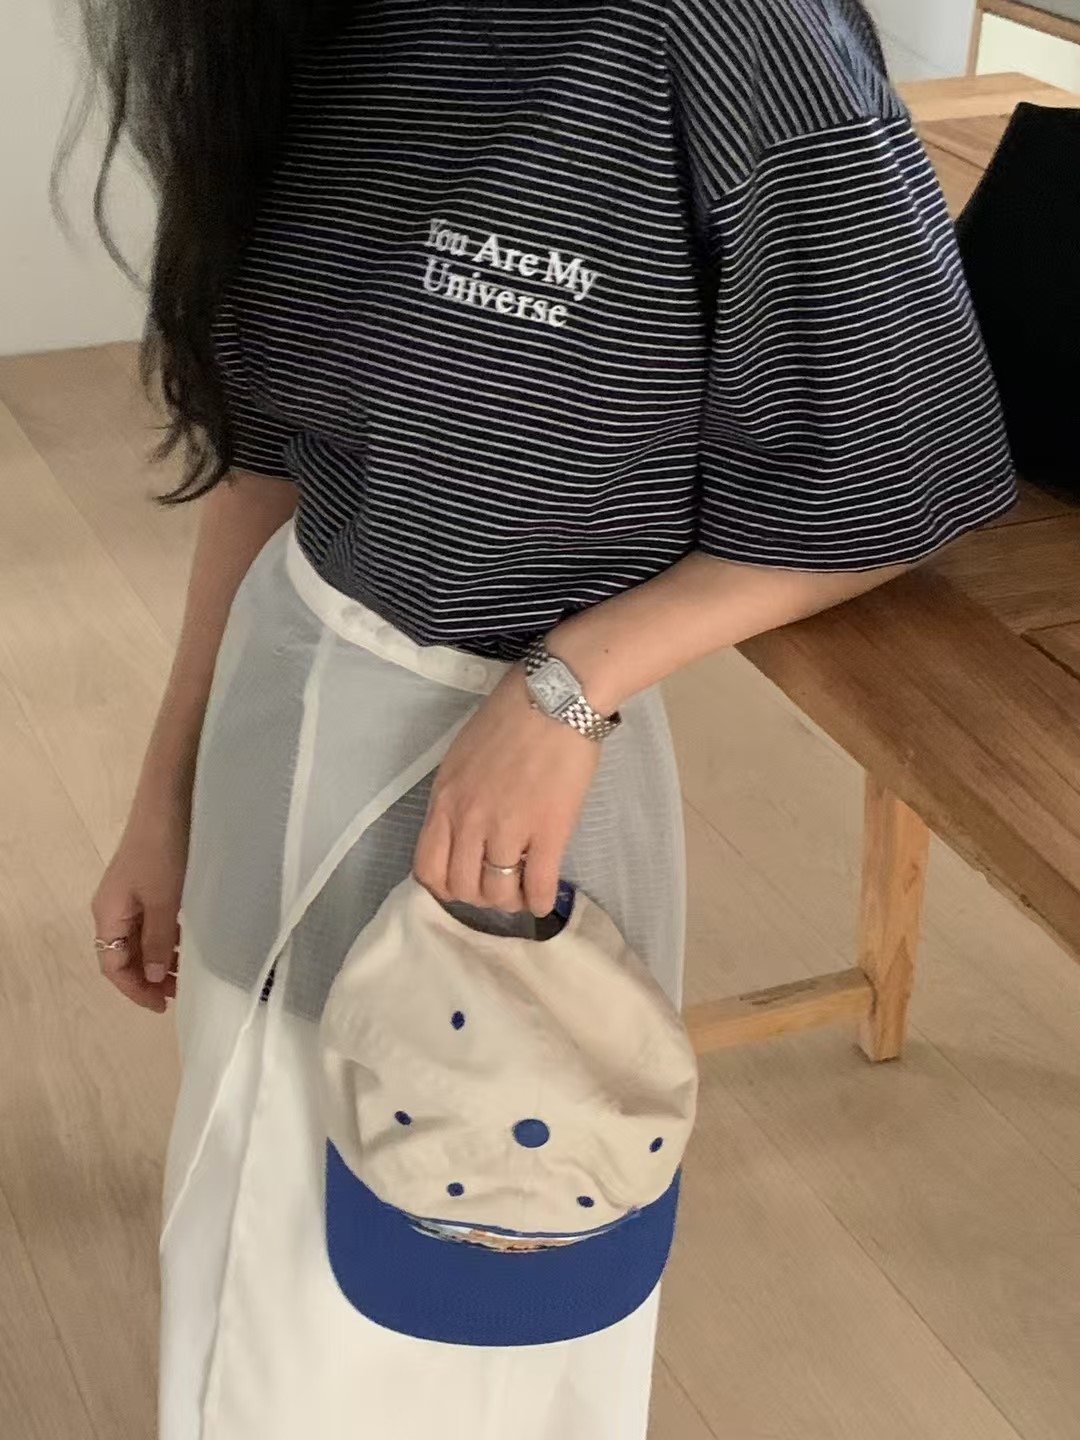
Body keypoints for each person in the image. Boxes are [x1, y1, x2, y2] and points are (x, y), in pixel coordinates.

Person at [72, 1, 1016, 1437]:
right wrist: (168, 791)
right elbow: (273, 459)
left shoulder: (724, 37)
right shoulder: (305, 21)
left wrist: (570, 685)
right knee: (246, 1257)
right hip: (280, 701)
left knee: (443, 1336)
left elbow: (910, 465)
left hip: (503, 799)